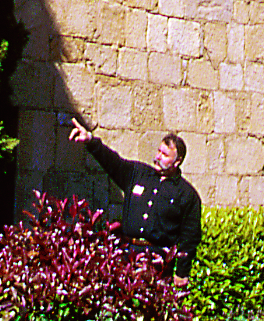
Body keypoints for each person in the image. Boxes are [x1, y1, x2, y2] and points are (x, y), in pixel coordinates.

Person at [68, 120, 202, 283]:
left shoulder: (187, 195)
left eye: (165, 155)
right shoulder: (137, 174)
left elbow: (190, 238)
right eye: (159, 151)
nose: (158, 157)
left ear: (177, 161)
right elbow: (113, 163)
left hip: (157, 261)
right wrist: (90, 140)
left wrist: (181, 272)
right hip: (126, 255)